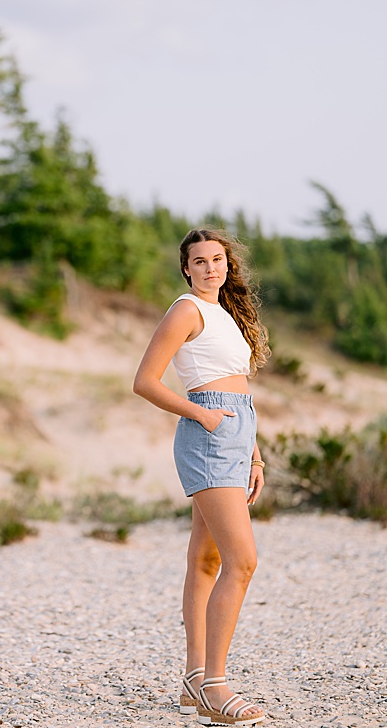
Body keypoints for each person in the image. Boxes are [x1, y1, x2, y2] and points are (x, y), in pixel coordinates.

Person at [133, 228, 270, 727]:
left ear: (227, 265)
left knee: (208, 557)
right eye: (200, 260)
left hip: (237, 431)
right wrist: (203, 415)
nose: (211, 267)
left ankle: (194, 676)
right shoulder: (186, 309)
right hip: (209, 431)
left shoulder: (225, 315)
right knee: (244, 560)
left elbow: (240, 391)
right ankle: (216, 685)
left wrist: (253, 452)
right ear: (186, 268)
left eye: (218, 259)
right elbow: (144, 381)